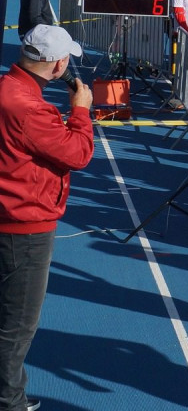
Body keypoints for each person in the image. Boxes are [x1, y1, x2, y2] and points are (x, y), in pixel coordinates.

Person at [0, 25, 94, 411]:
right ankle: (9, 399)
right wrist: (81, 111)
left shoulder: (10, 89)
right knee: (18, 322)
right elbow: (78, 154)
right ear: (57, 65)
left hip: (11, 210)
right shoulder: (30, 108)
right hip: (24, 221)